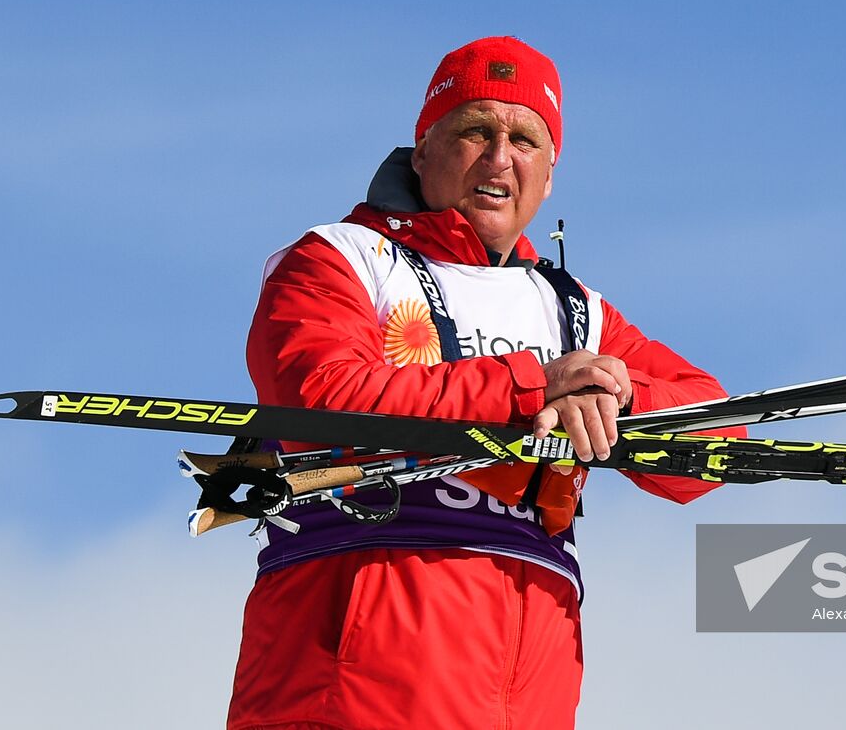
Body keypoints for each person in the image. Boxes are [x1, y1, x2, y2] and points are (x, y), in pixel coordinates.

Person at [226, 36, 744, 730]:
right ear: (423, 151)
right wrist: (532, 389)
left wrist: (617, 396)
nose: (500, 157)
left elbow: (717, 437)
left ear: (550, 175)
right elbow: (318, 398)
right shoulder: (340, 259)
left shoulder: (573, 311)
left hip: (531, 698)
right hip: (351, 694)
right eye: (475, 130)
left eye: (525, 139)